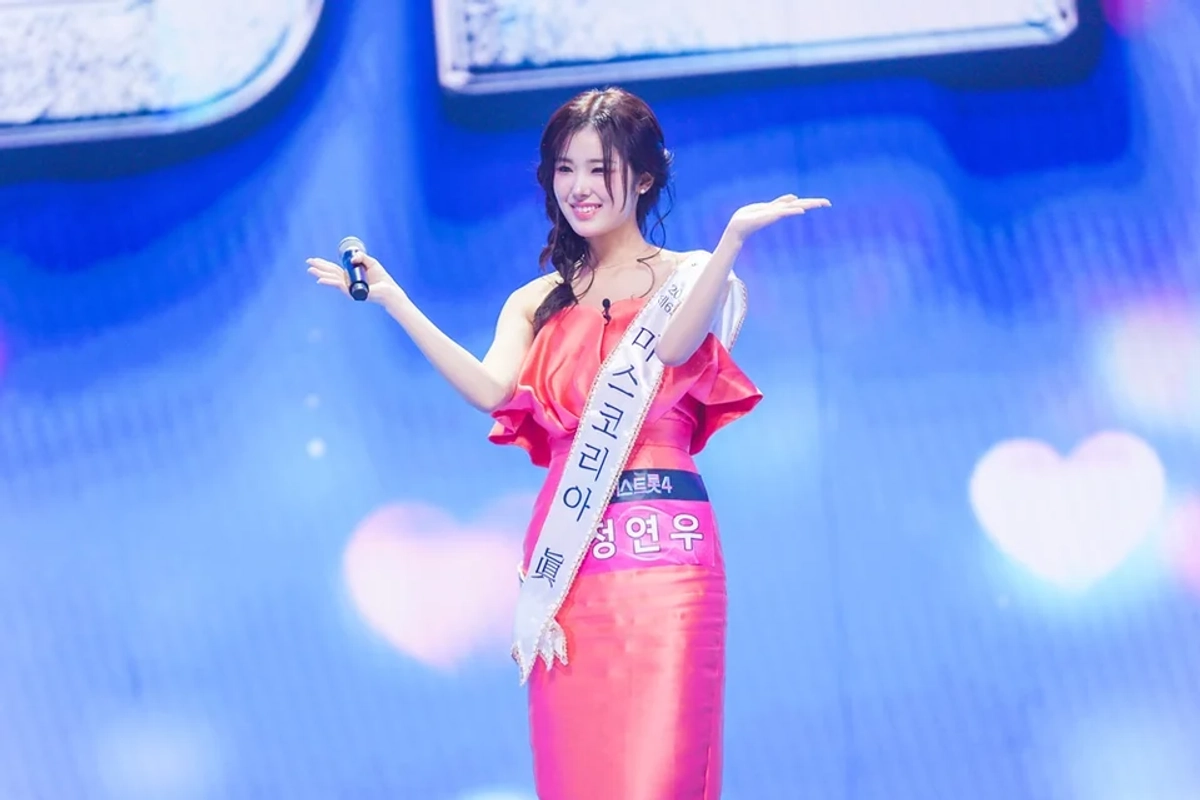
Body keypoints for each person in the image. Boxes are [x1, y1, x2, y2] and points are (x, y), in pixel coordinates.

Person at [307, 86, 829, 800]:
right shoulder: (536, 299)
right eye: (565, 169)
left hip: (665, 556)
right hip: (569, 565)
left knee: (663, 771)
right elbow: (491, 390)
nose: (579, 187)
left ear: (644, 178)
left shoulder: (691, 275)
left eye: (599, 169)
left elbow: (673, 349)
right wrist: (396, 301)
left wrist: (732, 239)